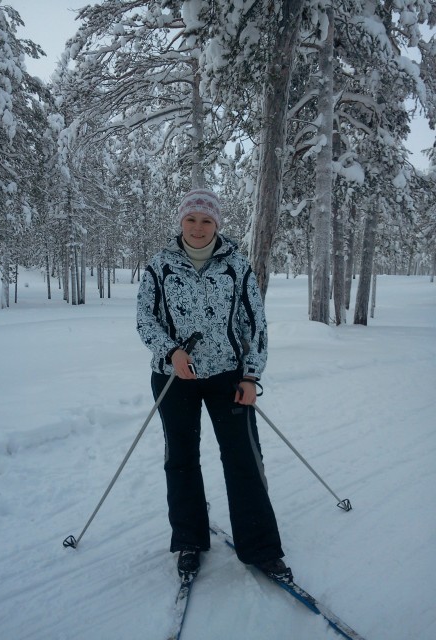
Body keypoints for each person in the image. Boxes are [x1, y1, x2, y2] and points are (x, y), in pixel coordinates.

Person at [136, 187, 287, 579]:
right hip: (174, 378)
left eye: (206, 220)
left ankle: (262, 549)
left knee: (243, 459)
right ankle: (188, 540)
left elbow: (255, 325)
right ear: (181, 222)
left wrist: (251, 375)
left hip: (229, 378)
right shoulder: (159, 265)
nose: (198, 227)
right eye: (191, 219)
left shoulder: (237, 266)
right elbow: (145, 320)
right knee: (181, 459)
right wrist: (171, 351)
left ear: (217, 224)